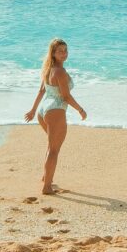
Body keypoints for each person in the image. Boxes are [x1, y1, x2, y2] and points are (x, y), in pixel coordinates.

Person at [23, 37, 87, 194]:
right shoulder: (60, 71)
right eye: (60, 51)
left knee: (51, 147)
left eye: (66, 50)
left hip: (43, 110)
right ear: (53, 53)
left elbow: (42, 91)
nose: (64, 54)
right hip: (55, 110)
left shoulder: (48, 68)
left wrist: (33, 111)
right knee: (54, 150)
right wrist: (80, 109)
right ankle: (46, 188)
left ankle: (46, 179)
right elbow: (65, 97)